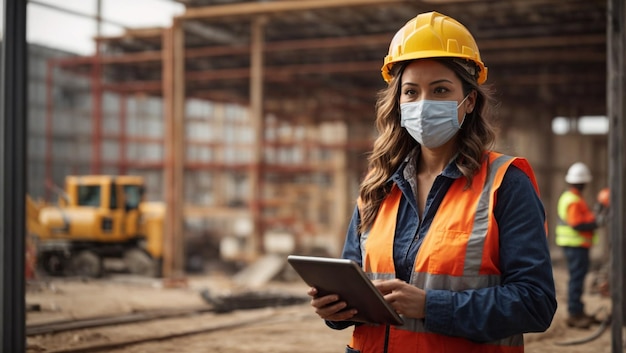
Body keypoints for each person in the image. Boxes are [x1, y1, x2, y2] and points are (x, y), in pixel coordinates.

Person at [306, 11, 557, 353]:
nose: (423, 104)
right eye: (411, 92)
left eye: (440, 90)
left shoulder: (505, 184)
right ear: (398, 102)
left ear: (468, 101)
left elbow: (535, 303)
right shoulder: (378, 186)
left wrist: (430, 307)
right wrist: (335, 310)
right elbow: (356, 287)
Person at [555, 162, 600, 328]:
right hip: (575, 245)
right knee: (576, 278)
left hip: (575, 245)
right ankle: (574, 314)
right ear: (584, 182)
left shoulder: (573, 197)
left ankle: (578, 311)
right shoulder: (573, 200)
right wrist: (595, 224)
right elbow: (576, 224)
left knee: (577, 278)